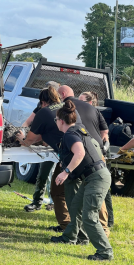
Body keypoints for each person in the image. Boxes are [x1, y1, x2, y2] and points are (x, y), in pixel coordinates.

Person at [51, 100, 113, 261]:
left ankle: (105, 252)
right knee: (76, 207)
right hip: (93, 176)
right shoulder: (79, 129)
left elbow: (79, 153)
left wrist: (65, 172)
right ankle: (72, 237)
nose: (56, 122)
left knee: (89, 216)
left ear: (61, 121)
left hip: (96, 177)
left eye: (56, 120)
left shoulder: (70, 134)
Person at [16, 86, 83, 232]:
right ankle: (70, 227)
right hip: (81, 150)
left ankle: (72, 229)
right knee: (64, 192)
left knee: (63, 193)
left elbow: (28, 141)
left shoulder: (44, 111)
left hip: (69, 157)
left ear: (43, 101)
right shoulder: (67, 107)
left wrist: (21, 137)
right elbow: (49, 132)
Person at [59, 86, 112, 235]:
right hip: (97, 151)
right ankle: (103, 227)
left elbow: (79, 151)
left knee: (85, 193)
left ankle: (79, 231)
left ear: (62, 95)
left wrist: (66, 171)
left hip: (82, 154)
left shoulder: (64, 109)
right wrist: (102, 144)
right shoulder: (93, 109)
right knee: (98, 194)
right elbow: (105, 131)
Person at [21, 81, 60, 213]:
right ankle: (37, 201)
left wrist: (22, 139)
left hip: (62, 149)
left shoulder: (61, 109)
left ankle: (55, 203)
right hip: (50, 146)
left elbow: (30, 140)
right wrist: (22, 128)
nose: (41, 105)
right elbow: (30, 120)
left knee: (53, 176)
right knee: (43, 174)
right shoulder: (42, 108)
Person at [79, 91, 114, 228]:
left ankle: (106, 222)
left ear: (89, 102)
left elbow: (105, 132)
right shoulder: (94, 111)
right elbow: (104, 132)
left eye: (81, 100)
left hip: (96, 152)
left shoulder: (92, 112)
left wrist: (101, 144)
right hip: (93, 151)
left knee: (101, 190)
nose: (78, 103)